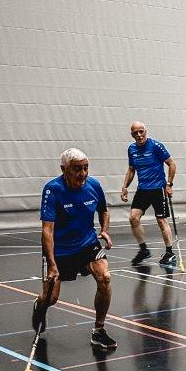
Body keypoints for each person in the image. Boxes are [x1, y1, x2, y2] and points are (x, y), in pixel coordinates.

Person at [34, 148, 117, 350]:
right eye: (77, 169)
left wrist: (104, 230)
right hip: (60, 250)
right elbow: (47, 230)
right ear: (64, 169)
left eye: (86, 168)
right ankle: (39, 305)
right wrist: (52, 264)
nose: (83, 173)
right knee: (51, 298)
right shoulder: (52, 190)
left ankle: (99, 330)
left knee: (105, 277)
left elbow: (104, 211)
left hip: (87, 244)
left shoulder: (94, 185)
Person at [120, 121, 177, 267]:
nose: (139, 135)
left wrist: (169, 184)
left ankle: (170, 252)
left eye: (141, 132)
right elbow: (131, 169)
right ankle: (144, 249)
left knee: (161, 221)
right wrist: (125, 187)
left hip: (158, 189)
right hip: (143, 189)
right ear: (132, 135)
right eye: (135, 133)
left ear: (145, 132)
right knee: (133, 218)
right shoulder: (131, 149)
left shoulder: (156, 146)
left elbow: (172, 164)